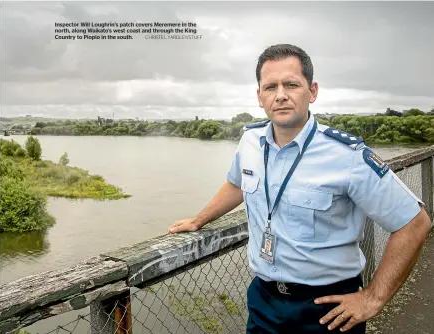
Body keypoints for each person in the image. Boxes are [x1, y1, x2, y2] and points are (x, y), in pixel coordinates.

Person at [167, 44, 431, 333]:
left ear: (312, 91)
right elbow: (236, 184)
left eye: (291, 84)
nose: (280, 95)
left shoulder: (348, 156)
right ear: (259, 96)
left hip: (329, 308)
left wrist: (373, 298)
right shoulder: (250, 142)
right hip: (263, 300)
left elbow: (414, 223)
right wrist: (198, 220)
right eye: (270, 87)